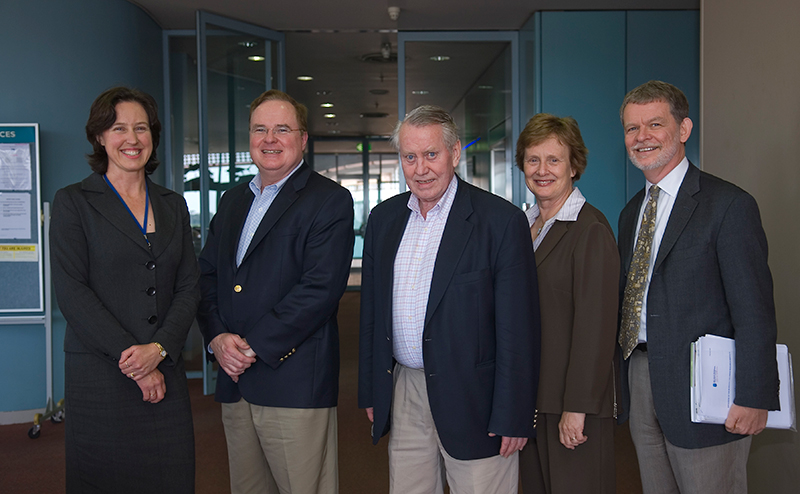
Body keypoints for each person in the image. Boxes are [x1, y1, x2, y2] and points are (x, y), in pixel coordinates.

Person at [358, 105, 540, 494]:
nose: (420, 168)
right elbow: (371, 316)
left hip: (477, 398)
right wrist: (372, 389)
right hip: (404, 389)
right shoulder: (383, 221)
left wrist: (514, 414)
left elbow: (518, 329)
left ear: (454, 153)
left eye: (431, 155)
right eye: (410, 157)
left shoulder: (500, 222)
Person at [617, 80, 779, 493]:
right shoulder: (631, 211)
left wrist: (755, 394)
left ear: (684, 129)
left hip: (706, 387)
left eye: (655, 124)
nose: (642, 138)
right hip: (642, 375)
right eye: (632, 129)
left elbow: (754, 308)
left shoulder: (728, 205)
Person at [197, 89, 354, 494]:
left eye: (282, 129)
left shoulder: (329, 200)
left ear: (303, 139)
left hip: (293, 381)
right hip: (235, 381)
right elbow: (207, 276)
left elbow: (319, 290)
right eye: (260, 129)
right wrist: (216, 339)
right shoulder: (232, 201)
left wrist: (250, 347)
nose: (270, 139)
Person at [51, 86, 199, 493]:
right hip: (101, 377)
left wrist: (159, 350)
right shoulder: (74, 202)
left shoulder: (173, 205)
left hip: (164, 371)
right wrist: (133, 360)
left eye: (140, 128)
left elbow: (188, 286)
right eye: (118, 128)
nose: (131, 139)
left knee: (170, 478)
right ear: (99, 137)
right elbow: (73, 293)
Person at [516, 114, 619, 494]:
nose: (542, 170)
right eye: (532, 160)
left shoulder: (590, 230)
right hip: (532, 400)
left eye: (554, 160)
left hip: (573, 406)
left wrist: (576, 408)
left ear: (574, 166)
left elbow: (596, 328)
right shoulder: (523, 226)